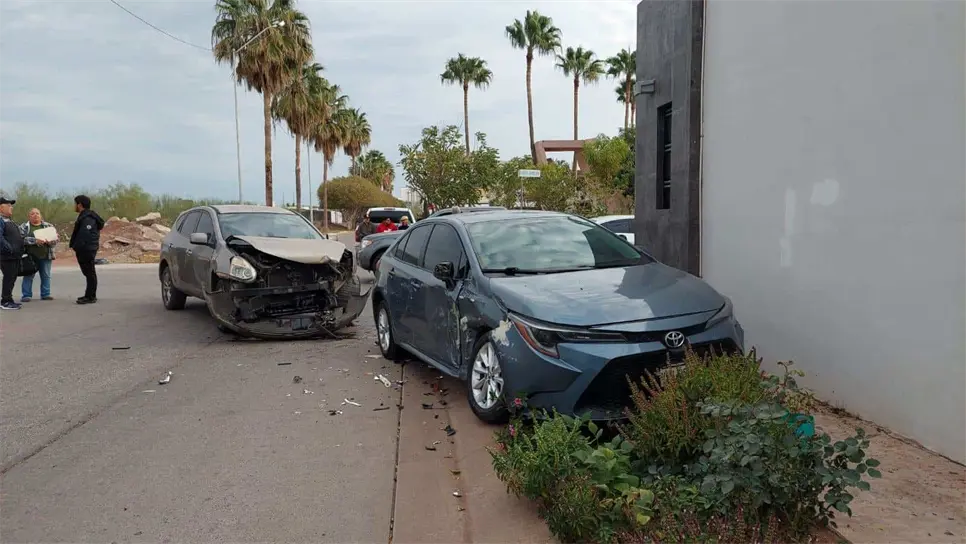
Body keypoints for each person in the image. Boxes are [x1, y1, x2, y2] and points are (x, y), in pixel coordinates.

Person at [69, 195, 105, 304]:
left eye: (75, 204)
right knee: (89, 273)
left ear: (79, 204)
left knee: (90, 273)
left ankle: (90, 297)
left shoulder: (88, 218)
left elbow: (84, 235)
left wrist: (77, 247)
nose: (74, 206)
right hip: (86, 249)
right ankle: (89, 295)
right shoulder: (85, 216)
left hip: (87, 250)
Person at [20, 208, 58, 302]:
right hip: (30, 257)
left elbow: (56, 240)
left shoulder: (48, 226)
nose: (35, 215)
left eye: (37, 213)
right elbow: (19, 239)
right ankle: (26, 295)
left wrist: (52, 240)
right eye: (32, 214)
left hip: (45, 255)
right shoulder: (24, 227)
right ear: (29, 216)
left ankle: (46, 294)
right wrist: (34, 241)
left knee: (46, 275)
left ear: (41, 215)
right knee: (28, 275)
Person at [0, 196, 24, 310]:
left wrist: (36, 240)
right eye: (8, 205)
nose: (11, 208)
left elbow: (21, 237)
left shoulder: (10, 221)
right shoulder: (0, 220)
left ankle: (8, 299)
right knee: (9, 277)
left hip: (14, 255)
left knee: (12, 277)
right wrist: (9, 249)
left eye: (11, 206)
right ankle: (5, 301)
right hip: (6, 256)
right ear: (0, 208)